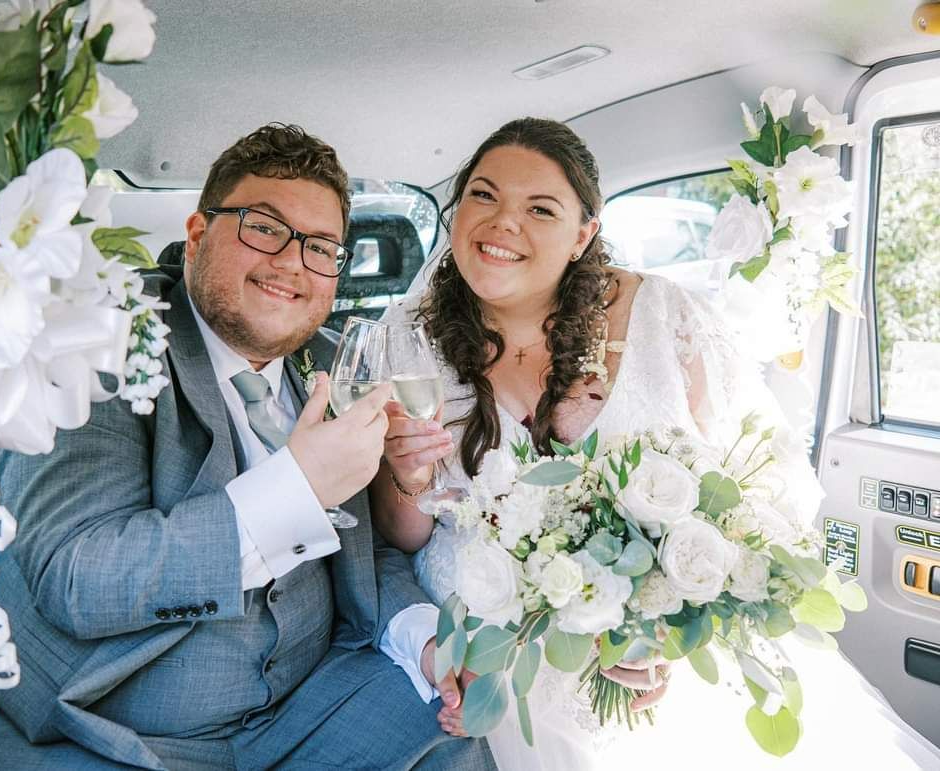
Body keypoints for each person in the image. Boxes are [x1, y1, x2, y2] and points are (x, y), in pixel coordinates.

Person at [372, 117, 940, 770]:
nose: (503, 223)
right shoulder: (403, 339)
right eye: (483, 194)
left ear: (584, 233)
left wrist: (668, 624)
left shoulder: (662, 315)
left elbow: (764, 489)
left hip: (667, 654)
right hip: (498, 662)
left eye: (540, 208)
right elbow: (401, 535)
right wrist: (408, 475)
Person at [0, 123, 495, 771]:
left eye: (320, 247)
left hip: (300, 706)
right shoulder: (103, 342)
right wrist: (295, 493)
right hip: (101, 724)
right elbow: (75, 576)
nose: (290, 262)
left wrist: (425, 638)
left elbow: (368, 551)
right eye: (263, 226)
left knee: (453, 729)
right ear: (198, 235)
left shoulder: (338, 363)